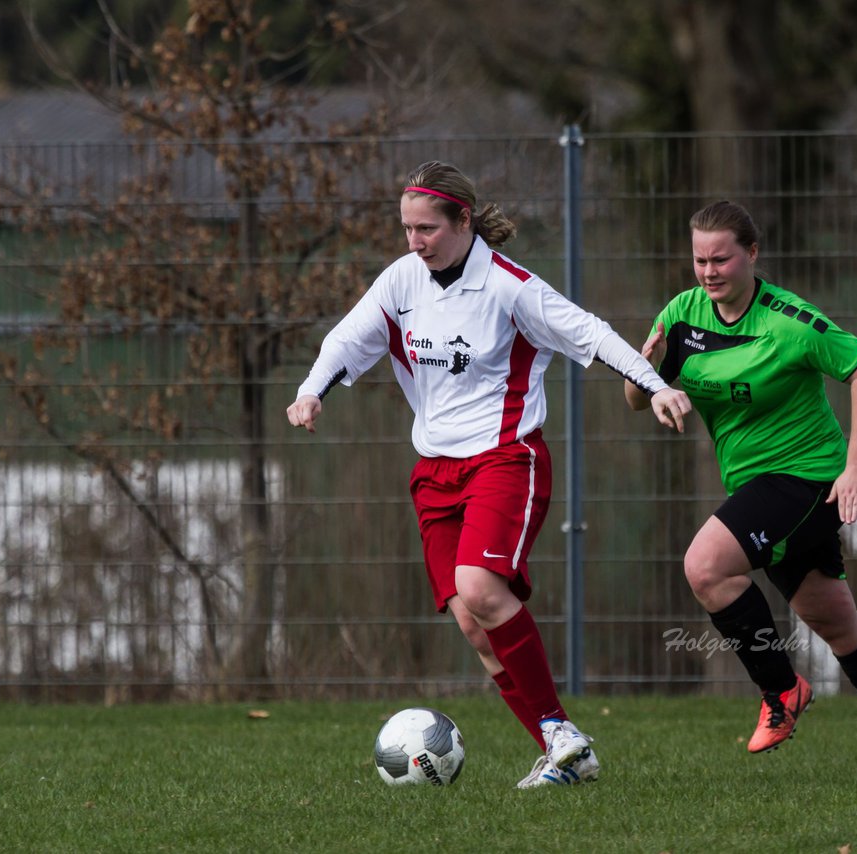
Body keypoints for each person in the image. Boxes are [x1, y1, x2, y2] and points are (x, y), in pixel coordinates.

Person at [288, 160, 692, 788]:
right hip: (434, 472)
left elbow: (590, 333)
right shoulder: (403, 281)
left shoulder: (510, 287)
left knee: (480, 588)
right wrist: (313, 390)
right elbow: (347, 341)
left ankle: (558, 730)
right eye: (406, 229)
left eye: (426, 229)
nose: (414, 242)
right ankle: (568, 755)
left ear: (463, 220)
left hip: (507, 459)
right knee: (475, 627)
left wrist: (655, 385)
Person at [625, 200, 857, 775]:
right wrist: (644, 382)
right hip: (755, 485)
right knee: (833, 618)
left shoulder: (790, 321)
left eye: (721, 259)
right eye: (699, 260)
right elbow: (640, 392)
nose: (708, 271)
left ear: (751, 254)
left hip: (809, 477)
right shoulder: (682, 314)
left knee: (705, 566)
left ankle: (781, 690)